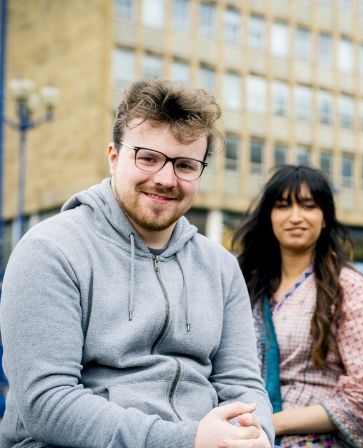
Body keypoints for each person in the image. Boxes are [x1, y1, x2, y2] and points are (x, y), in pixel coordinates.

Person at [0, 79, 273, 448]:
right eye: (148, 157)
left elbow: (243, 385)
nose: (165, 179)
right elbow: (47, 402)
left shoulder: (221, 267)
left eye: (185, 165)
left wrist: (255, 436)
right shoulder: (51, 249)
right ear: (114, 157)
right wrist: (186, 439)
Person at [233, 165, 363, 448]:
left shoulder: (348, 287)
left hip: (313, 437)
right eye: (282, 206)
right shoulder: (244, 286)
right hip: (241, 429)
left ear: (325, 218)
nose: (295, 217)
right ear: (269, 216)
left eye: (308, 206)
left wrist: (273, 422)